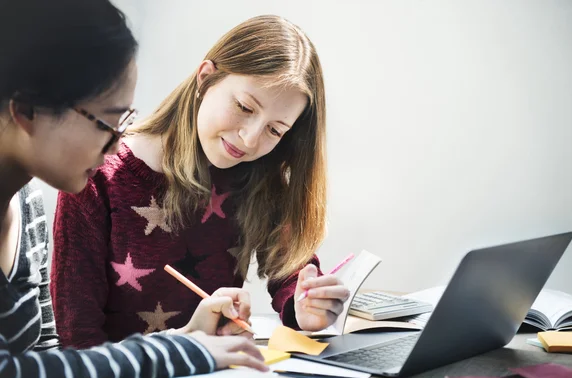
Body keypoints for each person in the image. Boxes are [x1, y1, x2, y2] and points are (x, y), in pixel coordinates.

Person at [0, 0, 267, 378]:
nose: (116, 147)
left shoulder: (28, 207)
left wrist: (189, 334)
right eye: (107, 122)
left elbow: (49, 360)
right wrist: (176, 351)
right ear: (26, 109)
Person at [51, 14, 351, 349]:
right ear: (205, 78)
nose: (250, 139)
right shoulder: (97, 175)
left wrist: (304, 305)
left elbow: (291, 271)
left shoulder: (258, 172)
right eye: (244, 107)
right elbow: (78, 340)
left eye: (275, 130)